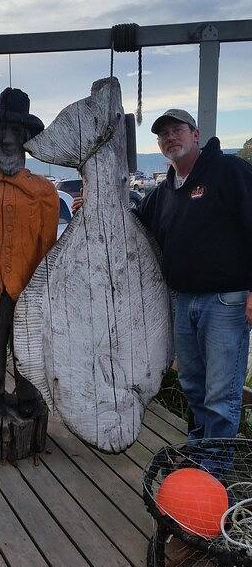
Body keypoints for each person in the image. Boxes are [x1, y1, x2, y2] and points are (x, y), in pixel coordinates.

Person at [72, 109, 252, 442]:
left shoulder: (229, 170)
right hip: (183, 302)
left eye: (177, 130)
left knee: (221, 393)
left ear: (195, 134)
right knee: (194, 386)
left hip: (226, 302)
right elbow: (135, 227)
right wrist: (96, 209)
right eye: (163, 134)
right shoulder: (165, 191)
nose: (170, 137)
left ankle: (211, 472)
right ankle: (199, 454)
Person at [0, 87, 59, 418]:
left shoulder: (44, 191)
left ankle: (27, 393)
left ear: (25, 139)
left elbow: (48, 246)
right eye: (1, 130)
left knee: (27, 342)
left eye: (14, 132)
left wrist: (40, 288)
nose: (6, 138)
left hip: (27, 283)